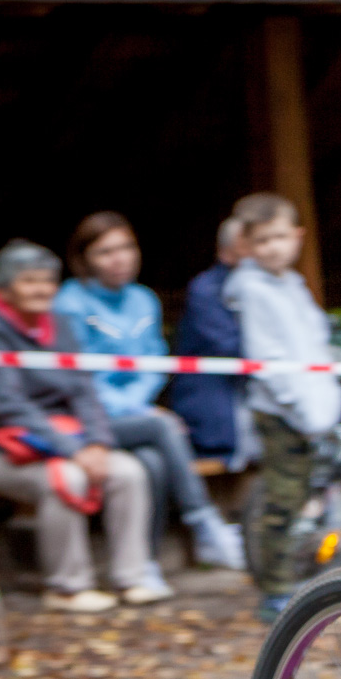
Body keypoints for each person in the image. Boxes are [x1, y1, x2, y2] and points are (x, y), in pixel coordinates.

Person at [0, 240, 159, 613]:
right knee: (66, 478)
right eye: (29, 281)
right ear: (4, 288)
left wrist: (97, 443)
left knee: (128, 471)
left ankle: (132, 578)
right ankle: (68, 586)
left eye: (48, 280)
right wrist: (75, 451)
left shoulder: (59, 324)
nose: (42, 289)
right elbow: (9, 406)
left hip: (68, 442)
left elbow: (84, 390)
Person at [56, 212, 246, 587]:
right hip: (86, 419)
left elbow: (155, 361)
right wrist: (131, 408)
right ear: (84, 259)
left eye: (126, 247)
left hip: (136, 414)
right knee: (162, 428)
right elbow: (77, 376)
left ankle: (147, 564)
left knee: (152, 462)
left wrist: (136, 404)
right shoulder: (69, 304)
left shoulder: (143, 300)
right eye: (105, 251)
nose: (120, 258)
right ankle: (203, 519)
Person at [222, 192, 341, 619]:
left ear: (297, 236)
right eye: (262, 240)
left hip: (309, 408)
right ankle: (274, 590)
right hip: (282, 413)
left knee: (305, 494)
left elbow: (313, 343)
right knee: (283, 500)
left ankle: (295, 576)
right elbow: (268, 360)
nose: (272, 247)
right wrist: (304, 409)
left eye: (279, 237)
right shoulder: (252, 290)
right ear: (247, 245)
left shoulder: (291, 283)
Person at [170, 215, 258, 468]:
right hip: (214, 411)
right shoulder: (206, 289)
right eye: (253, 243)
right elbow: (232, 347)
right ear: (231, 248)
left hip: (240, 403)